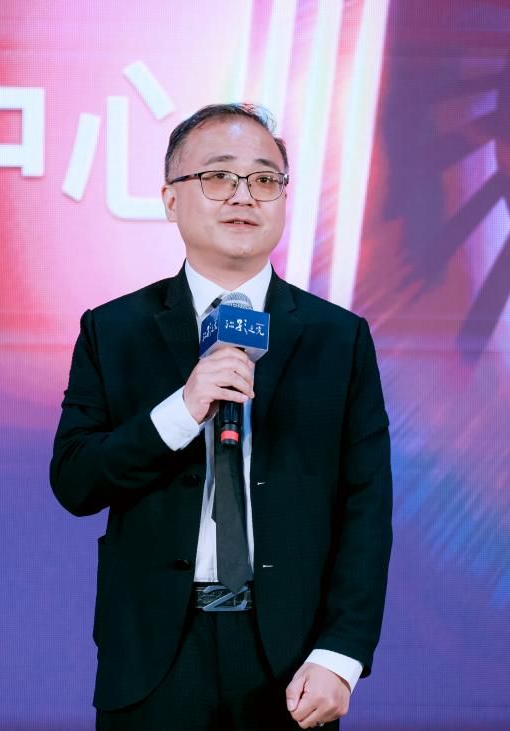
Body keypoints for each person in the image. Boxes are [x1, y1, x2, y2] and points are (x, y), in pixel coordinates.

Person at [50, 103, 391, 730]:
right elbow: (75, 481)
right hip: (155, 657)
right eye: (217, 176)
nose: (243, 195)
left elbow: (366, 507)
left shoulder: (339, 339)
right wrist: (180, 412)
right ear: (170, 199)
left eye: (264, 179)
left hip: (290, 659)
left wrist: (341, 653)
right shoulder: (113, 330)